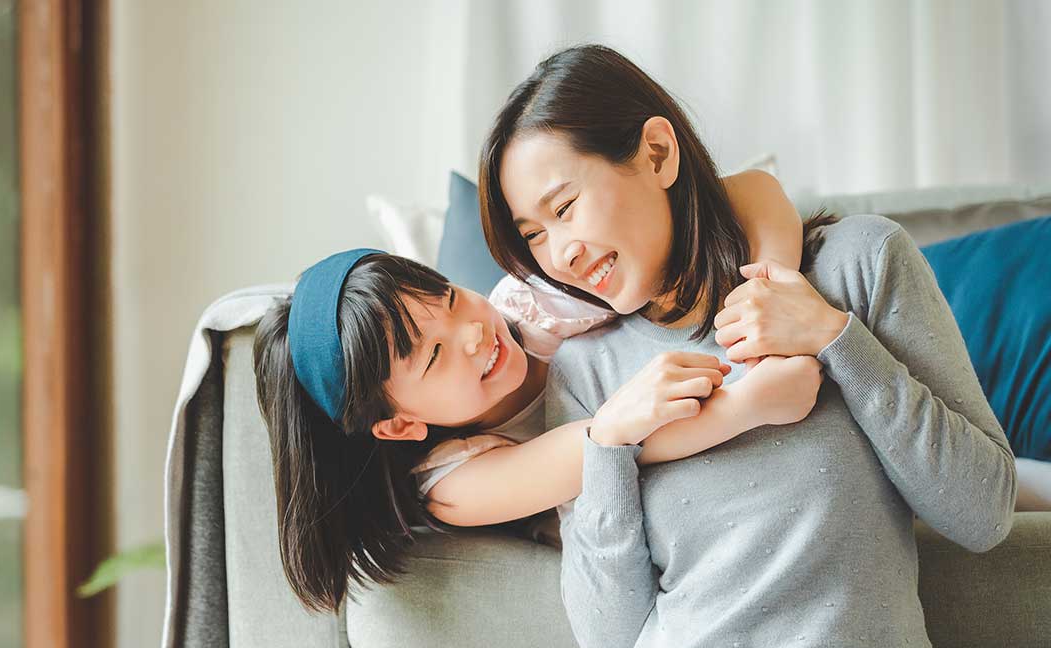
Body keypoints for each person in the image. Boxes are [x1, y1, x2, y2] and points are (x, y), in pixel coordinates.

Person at [479, 43, 1016, 648]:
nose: (559, 252)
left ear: (657, 154)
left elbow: (982, 512)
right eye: (533, 235)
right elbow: (609, 643)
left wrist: (834, 338)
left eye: (564, 208)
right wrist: (609, 450)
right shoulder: (588, 370)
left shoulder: (857, 264)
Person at [253, 179, 819, 614]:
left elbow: (749, 189)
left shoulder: (528, 306)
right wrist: (751, 404)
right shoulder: (453, 480)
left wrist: (766, 294)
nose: (473, 333)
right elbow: (610, 447)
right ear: (399, 424)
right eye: (433, 355)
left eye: (449, 299)